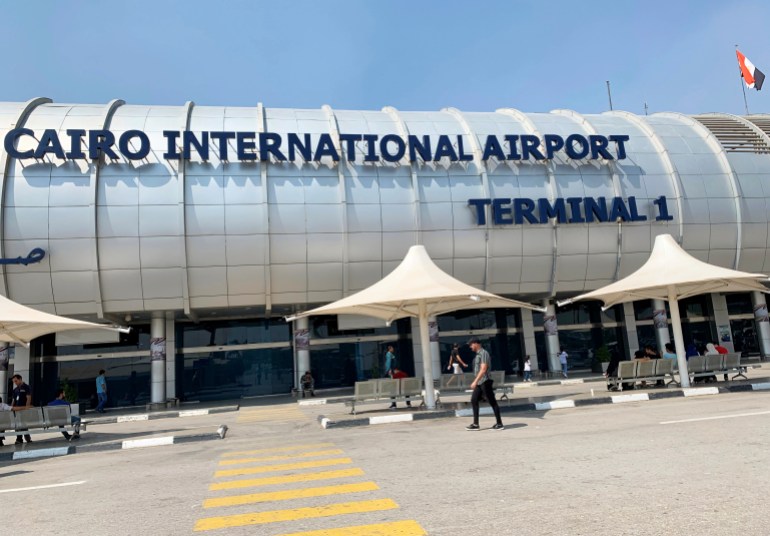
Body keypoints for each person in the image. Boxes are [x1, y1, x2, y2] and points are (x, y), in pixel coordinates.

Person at [465, 338, 503, 431]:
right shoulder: (477, 355)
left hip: (485, 381)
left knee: (492, 402)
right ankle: (475, 424)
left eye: (471, 345)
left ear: (476, 344)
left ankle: (499, 424)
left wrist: (475, 381)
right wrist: (476, 381)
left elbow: (483, 369)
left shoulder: (484, 353)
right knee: (474, 400)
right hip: (479, 382)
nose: (470, 347)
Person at [10, 374, 32, 444]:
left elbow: (28, 398)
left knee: (23, 424)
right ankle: (22, 438)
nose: (15, 383)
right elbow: (13, 400)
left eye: (16, 381)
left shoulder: (26, 387)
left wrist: (27, 408)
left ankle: (22, 439)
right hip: (16, 410)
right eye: (14, 382)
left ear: (20, 379)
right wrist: (11, 408)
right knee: (19, 425)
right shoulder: (15, 390)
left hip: (23, 409)